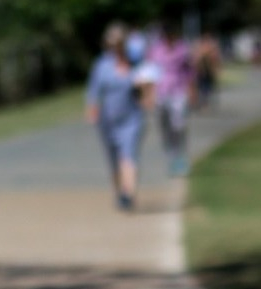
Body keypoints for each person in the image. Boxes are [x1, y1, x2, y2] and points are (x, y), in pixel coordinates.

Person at [84, 21, 147, 211]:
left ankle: (128, 193)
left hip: (132, 118)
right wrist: (92, 109)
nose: (116, 47)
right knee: (114, 161)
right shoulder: (102, 65)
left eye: (119, 42)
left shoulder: (135, 63)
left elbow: (146, 88)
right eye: (112, 43)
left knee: (128, 156)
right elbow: (93, 91)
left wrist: (145, 92)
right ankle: (120, 192)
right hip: (108, 121)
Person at [149, 21, 195, 176]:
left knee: (179, 125)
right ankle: (172, 158)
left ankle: (181, 158)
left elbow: (189, 70)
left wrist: (191, 89)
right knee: (165, 127)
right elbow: (150, 71)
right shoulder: (156, 50)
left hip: (178, 91)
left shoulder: (182, 49)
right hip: (161, 92)